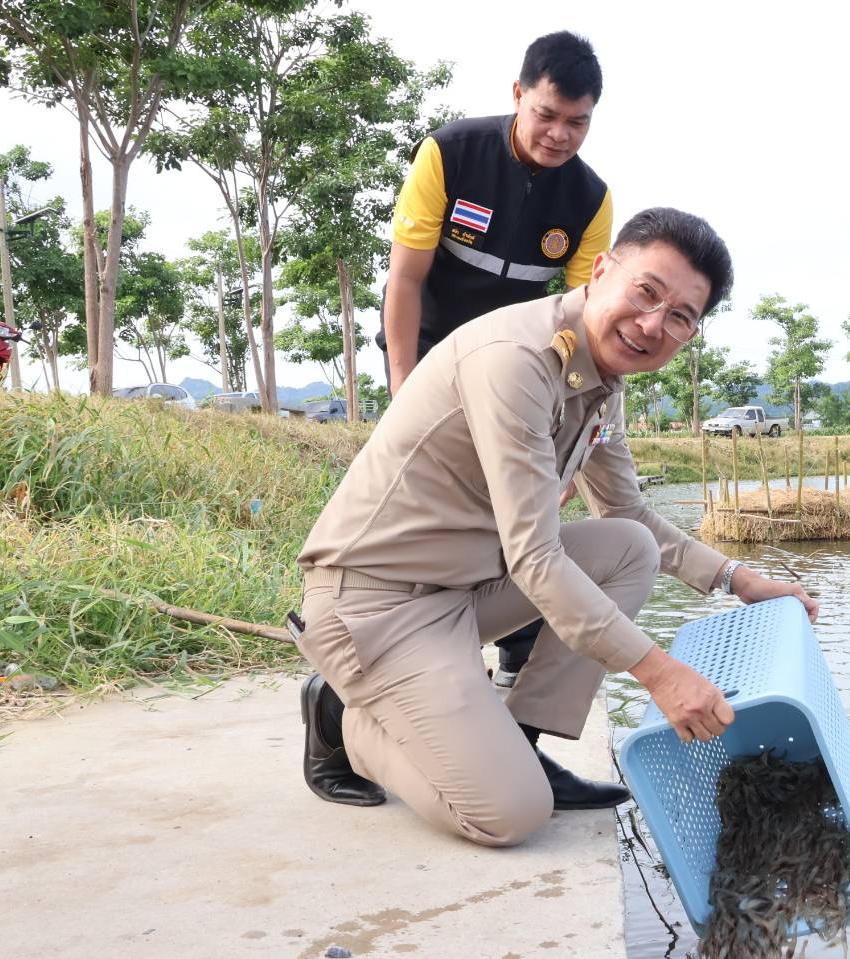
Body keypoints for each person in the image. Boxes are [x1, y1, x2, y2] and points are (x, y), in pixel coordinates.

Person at [294, 208, 818, 845]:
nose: (653, 325)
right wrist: (661, 673)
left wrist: (738, 579)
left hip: (461, 593)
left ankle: (521, 740)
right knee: (508, 814)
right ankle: (342, 718)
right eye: (646, 293)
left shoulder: (602, 378)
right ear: (600, 272)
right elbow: (535, 557)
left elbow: (628, 513)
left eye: (681, 316)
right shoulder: (515, 360)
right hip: (373, 608)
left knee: (629, 548)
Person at [378, 29, 615, 691]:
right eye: (546, 114)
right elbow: (405, 280)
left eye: (578, 123)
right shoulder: (450, 154)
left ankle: (516, 655)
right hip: (430, 352)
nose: (559, 135)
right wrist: (403, 391)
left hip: (514, 368)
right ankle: (410, 646)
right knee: (433, 504)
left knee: (521, 505)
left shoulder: (590, 199)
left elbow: (585, 322)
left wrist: (571, 445)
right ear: (517, 95)